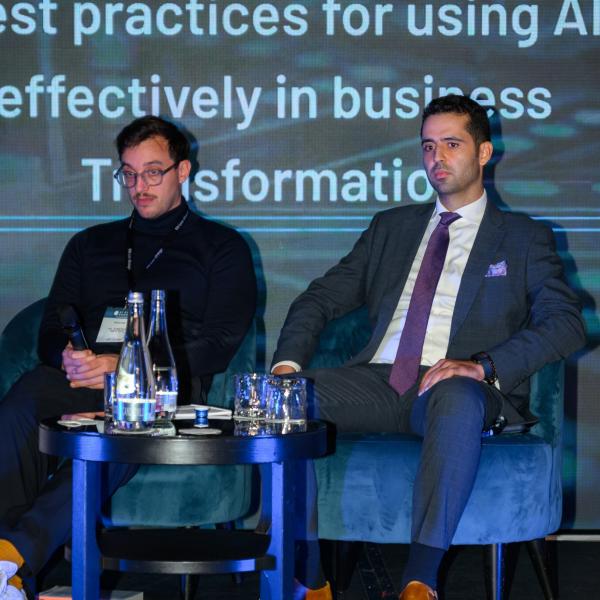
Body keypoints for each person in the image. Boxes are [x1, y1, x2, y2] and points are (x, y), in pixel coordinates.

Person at [272, 95, 586, 600]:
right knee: (282, 401)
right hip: (378, 381)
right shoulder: (390, 228)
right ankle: (310, 580)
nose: (436, 157)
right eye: (428, 146)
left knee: (457, 395)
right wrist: (287, 366)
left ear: (484, 152)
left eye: (451, 144)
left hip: (456, 388)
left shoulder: (523, 238)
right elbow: (319, 298)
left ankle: (420, 581)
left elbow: (566, 323)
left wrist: (483, 367)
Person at [0, 116, 257, 598]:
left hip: (166, 385)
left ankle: (10, 557)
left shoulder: (222, 247)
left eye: (153, 172)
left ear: (183, 170)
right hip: (83, 377)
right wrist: (68, 357)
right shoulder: (89, 244)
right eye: (129, 173)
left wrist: (124, 368)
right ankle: (9, 575)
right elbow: (51, 327)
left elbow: (221, 342)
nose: (140, 186)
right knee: (22, 402)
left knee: (125, 422)